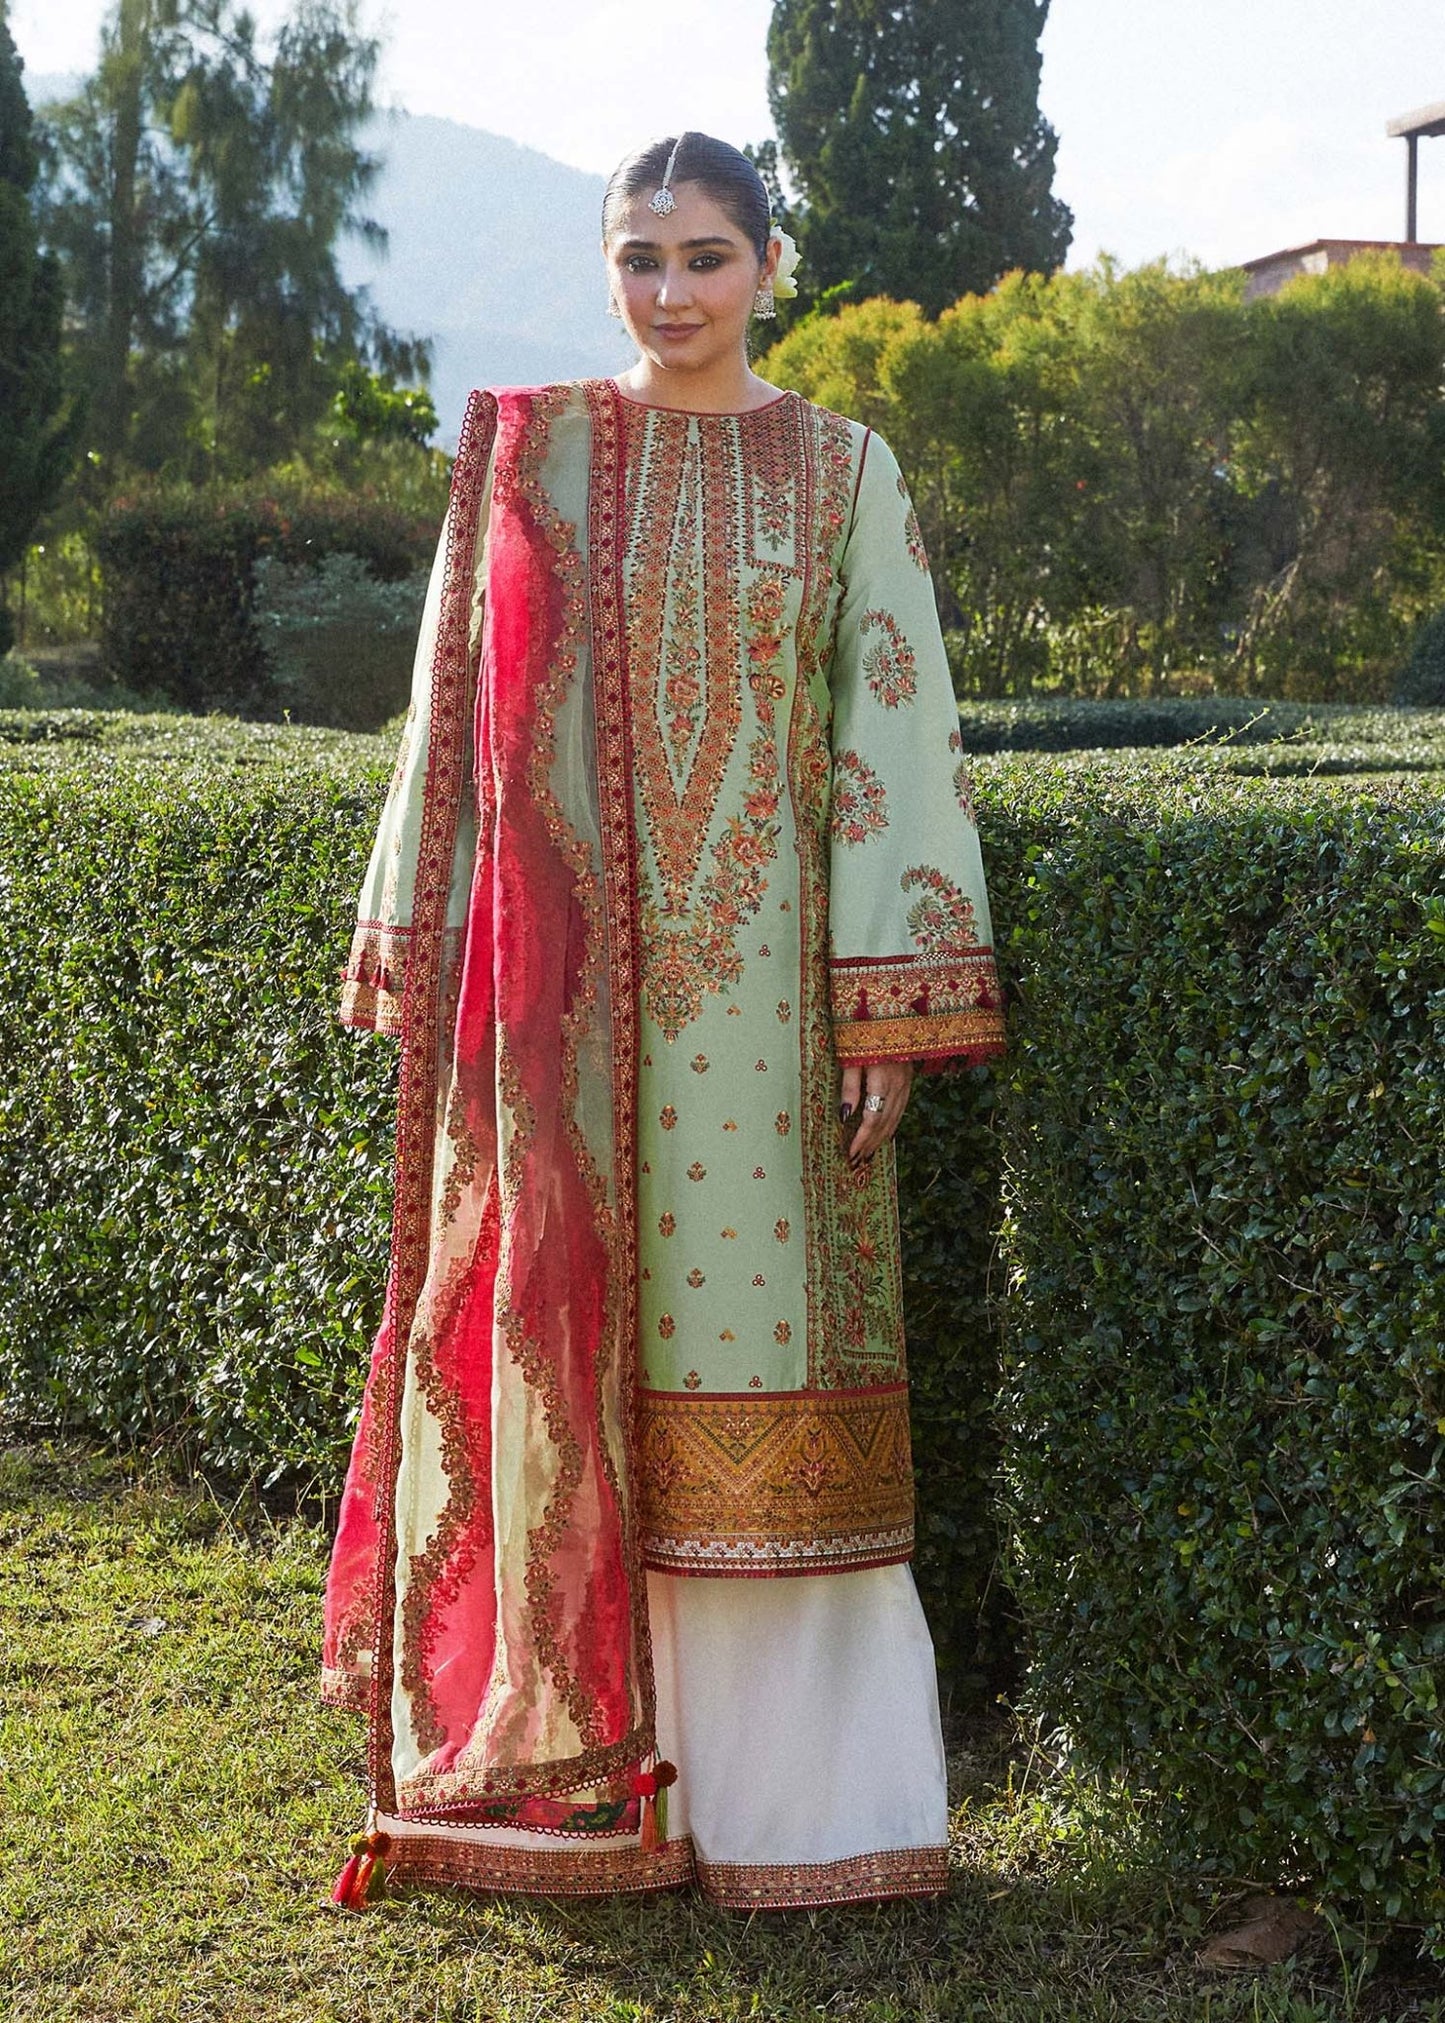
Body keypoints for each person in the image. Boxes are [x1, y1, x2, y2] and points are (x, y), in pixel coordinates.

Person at [321, 131, 1005, 1913]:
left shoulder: (846, 471)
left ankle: (796, 1808)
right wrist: (409, 917)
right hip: (557, 1023)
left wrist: (890, 998)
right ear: (604, 267)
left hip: (772, 1016)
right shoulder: (531, 457)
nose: (672, 292)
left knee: (767, 1363)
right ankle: (581, 1779)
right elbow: (442, 698)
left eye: (706, 257)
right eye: (641, 258)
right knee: (572, 1363)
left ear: (771, 266)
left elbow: (894, 744)